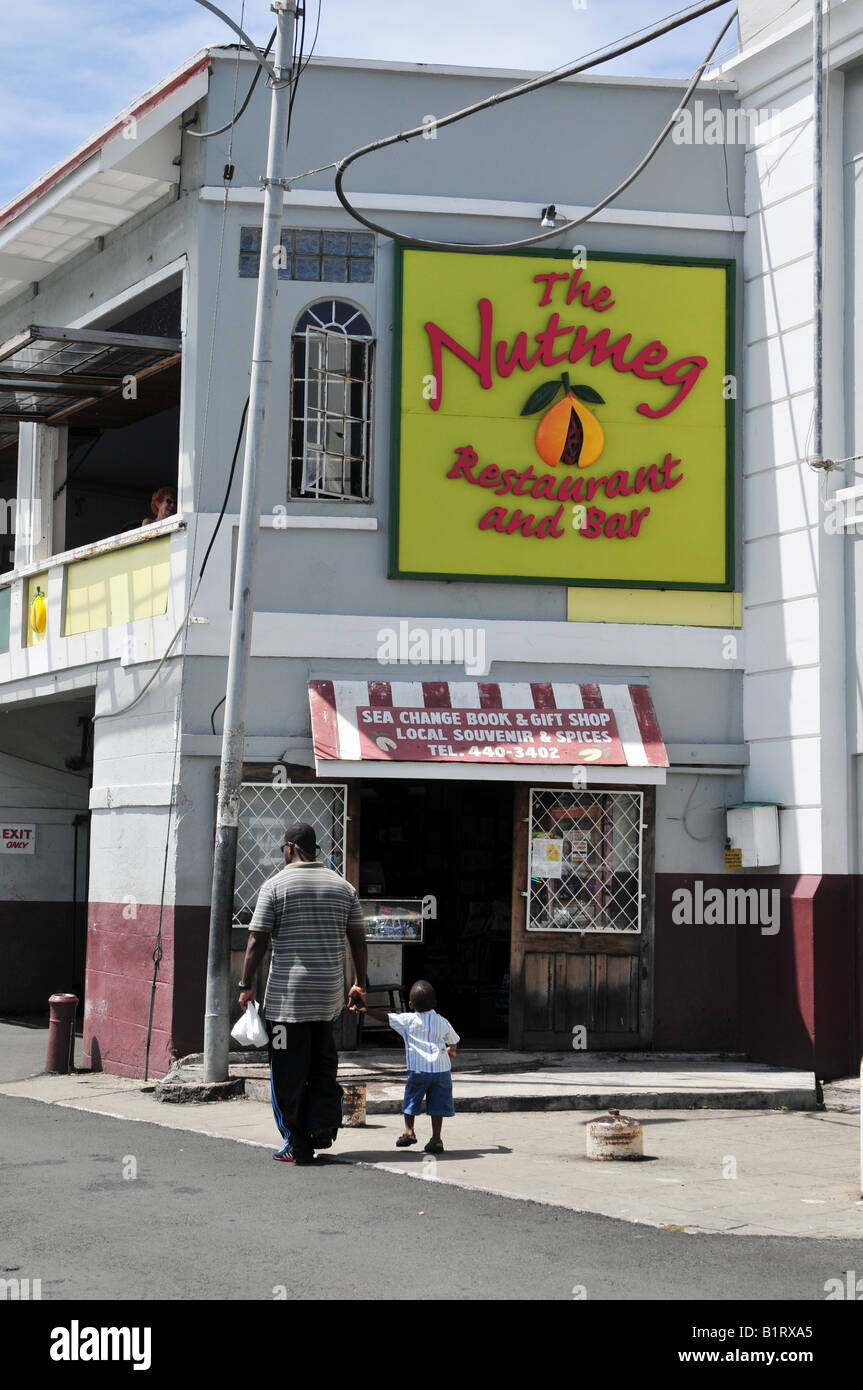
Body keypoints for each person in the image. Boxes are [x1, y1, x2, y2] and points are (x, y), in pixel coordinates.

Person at [238, 822, 367, 1165]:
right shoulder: (344, 888)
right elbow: (357, 939)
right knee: (323, 1067)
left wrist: (246, 984)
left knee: (287, 1071)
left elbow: (257, 940)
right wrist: (360, 983)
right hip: (328, 1000)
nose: (282, 852)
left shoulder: (275, 886)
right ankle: (321, 1126)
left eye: (283, 847)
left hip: (287, 1004)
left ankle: (297, 1141)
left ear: (291, 847)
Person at [358, 980, 458, 1154]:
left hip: (419, 1070)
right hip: (442, 1070)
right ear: (435, 1003)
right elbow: (454, 1041)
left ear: (411, 1004)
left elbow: (386, 1017)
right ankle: (436, 1139)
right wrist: (451, 1052)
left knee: (411, 1099)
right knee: (438, 1105)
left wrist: (366, 1010)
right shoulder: (442, 1021)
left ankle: (409, 1131)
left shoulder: (408, 1020)